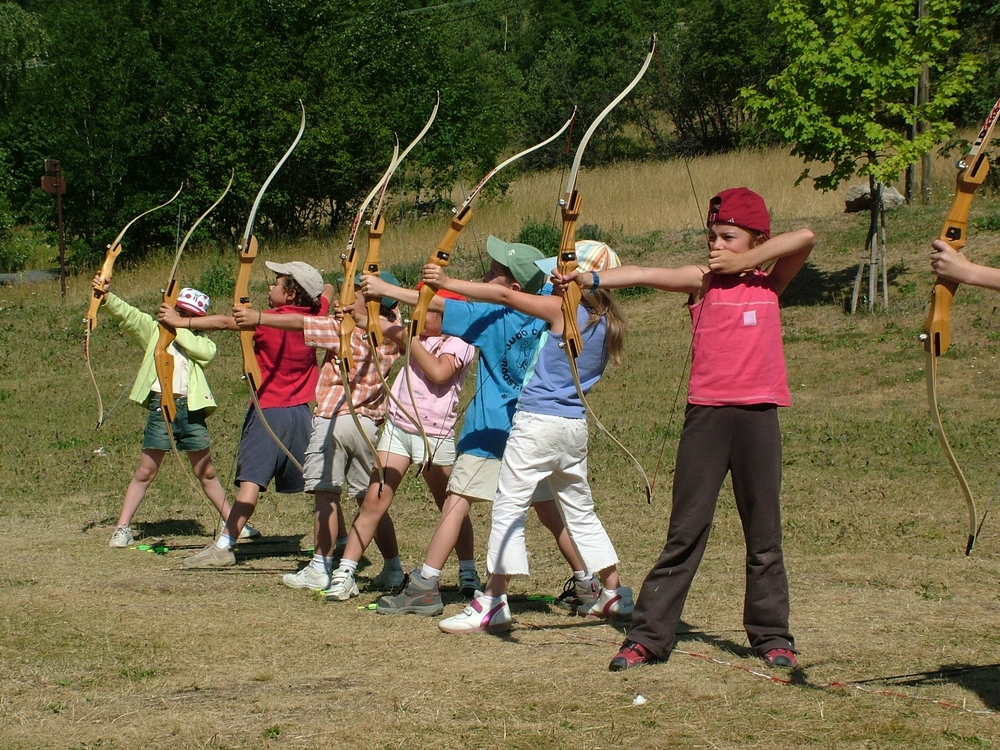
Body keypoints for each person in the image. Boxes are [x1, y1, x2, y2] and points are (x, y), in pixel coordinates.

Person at [562, 187, 814, 671]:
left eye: (728, 237)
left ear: (755, 238)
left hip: (759, 416)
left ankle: (772, 635)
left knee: (764, 534)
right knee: (686, 530)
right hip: (708, 418)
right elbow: (643, 274)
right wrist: (588, 276)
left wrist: (749, 261)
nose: (715, 245)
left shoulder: (769, 282)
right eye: (711, 236)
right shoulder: (701, 281)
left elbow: (804, 237)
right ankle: (649, 637)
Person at [363, 238, 609, 617]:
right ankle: (587, 581)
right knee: (548, 510)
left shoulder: (494, 316)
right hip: (533, 432)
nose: (485, 275)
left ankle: (425, 586)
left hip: (493, 429)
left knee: (457, 500)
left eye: (493, 272)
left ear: (511, 288)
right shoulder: (552, 304)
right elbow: (528, 288)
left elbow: (439, 306)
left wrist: (384, 292)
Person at [419, 241, 633, 634]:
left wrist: (447, 280)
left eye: (562, 271)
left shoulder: (564, 309)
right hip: (572, 428)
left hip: (536, 424)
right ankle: (614, 591)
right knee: (579, 513)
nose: (554, 277)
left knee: (509, 507)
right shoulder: (604, 322)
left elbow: (503, 294)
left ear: (580, 278)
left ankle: (493, 602)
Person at [165, 261, 333, 568]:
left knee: (251, 483)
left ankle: (225, 547)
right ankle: (342, 542)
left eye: (278, 284)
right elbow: (328, 292)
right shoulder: (315, 316)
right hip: (302, 413)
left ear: (292, 293)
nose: (270, 287)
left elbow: (225, 324)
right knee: (320, 486)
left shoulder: (266, 323)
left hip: (269, 412)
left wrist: (181, 322)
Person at [321, 289, 477, 601]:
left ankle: (468, 571)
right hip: (398, 430)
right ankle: (345, 573)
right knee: (374, 500)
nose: (416, 314)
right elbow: (371, 322)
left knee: (450, 508)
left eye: (425, 309)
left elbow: (439, 372)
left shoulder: (459, 342)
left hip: (433, 435)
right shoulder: (413, 335)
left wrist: (409, 339)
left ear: (448, 316)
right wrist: (353, 314)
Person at [258, 273, 406, 591]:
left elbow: (300, 325)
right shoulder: (394, 335)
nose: (348, 298)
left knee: (326, 495)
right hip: (367, 426)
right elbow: (390, 314)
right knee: (369, 503)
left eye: (356, 294)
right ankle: (393, 568)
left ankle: (319, 567)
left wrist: (257, 317)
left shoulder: (342, 331)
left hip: (333, 421)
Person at [93, 276, 237, 548]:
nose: (181, 316)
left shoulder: (201, 341)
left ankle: (233, 524)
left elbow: (205, 353)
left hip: (190, 409)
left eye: (188, 315)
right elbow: (129, 316)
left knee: (206, 471)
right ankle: (122, 527)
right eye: (179, 311)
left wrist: (177, 322)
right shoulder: (156, 331)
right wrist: (106, 296)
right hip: (162, 405)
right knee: (146, 470)